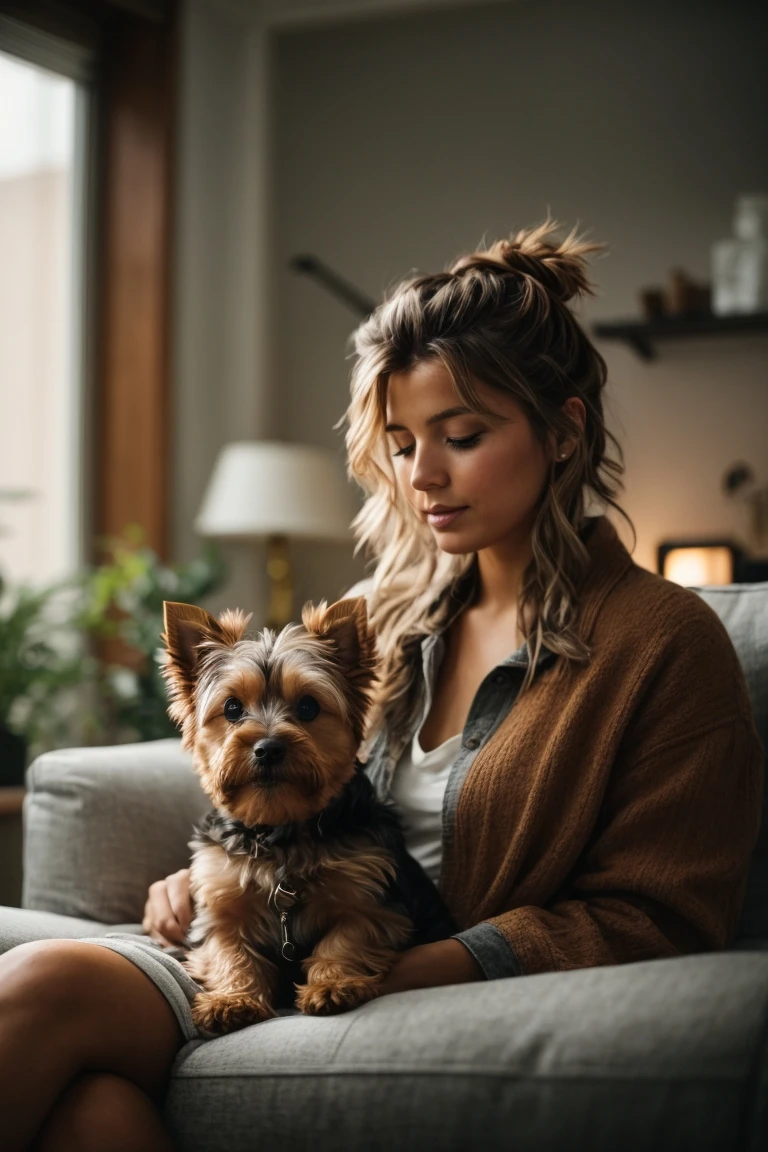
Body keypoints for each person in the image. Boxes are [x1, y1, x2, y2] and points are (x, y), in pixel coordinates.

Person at [0, 218, 762, 1151]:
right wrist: (207, 879)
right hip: (255, 951)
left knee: (41, 991)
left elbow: (660, 915)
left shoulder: (659, 643)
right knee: (88, 1110)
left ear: (562, 431)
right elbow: (270, 782)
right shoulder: (383, 614)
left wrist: (400, 967)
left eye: (463, 435)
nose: (423, 475)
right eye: (401, 444)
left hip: (392, 970)